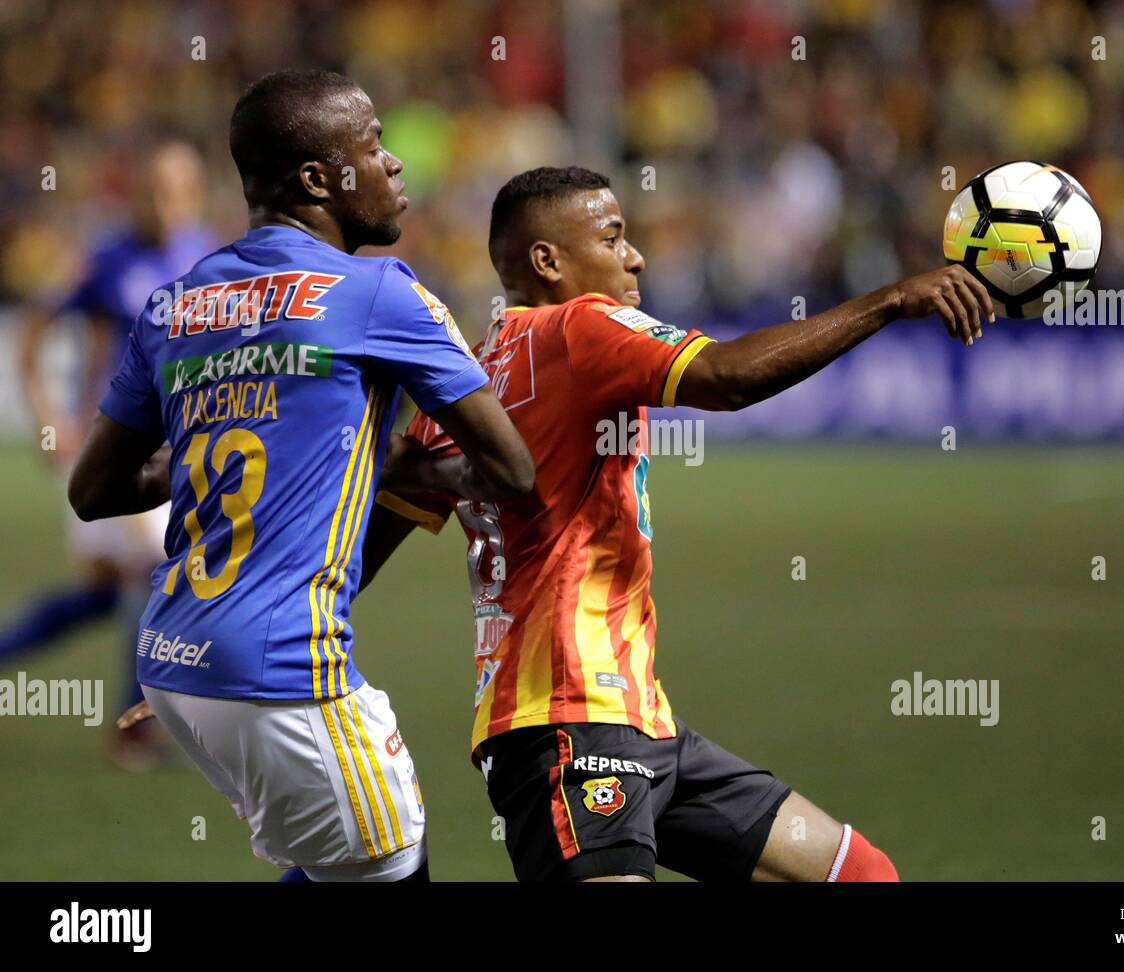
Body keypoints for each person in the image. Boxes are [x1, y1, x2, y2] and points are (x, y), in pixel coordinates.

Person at [361, 166, 994, 881]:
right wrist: (889, 301)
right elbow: (728, 378)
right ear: (547, 262)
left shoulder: (472, 381)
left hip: (632, 722)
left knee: (858, 874)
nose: (635, 256)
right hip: (572, 724)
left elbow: (357, 557)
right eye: (612, 236)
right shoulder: (580, 326)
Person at [70, 70, 533, 882]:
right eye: (374, 145)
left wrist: (243, 435)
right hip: (286, 671)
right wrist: (406, 461)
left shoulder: (178, 302)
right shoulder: (380, 294)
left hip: (173, 660)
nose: (395, 165)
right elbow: (509, 466)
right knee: (388, 863)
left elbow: (94, 491)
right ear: (318, 179)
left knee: (340, 860)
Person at [4, 141, 215, 770]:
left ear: (196, 193)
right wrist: (52, 420)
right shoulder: (104, 258)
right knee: (162, 574)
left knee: (102, 597)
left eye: (176, 189)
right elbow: (34, 331)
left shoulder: (208, 257)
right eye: (153, 189)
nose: (163, 202)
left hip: (181, 449)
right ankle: (137, 733)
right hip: (116, 450)